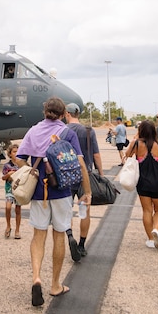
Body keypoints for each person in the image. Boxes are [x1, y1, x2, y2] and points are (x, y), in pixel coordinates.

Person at [14, 97, 91, 307]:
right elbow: (81, 164)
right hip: (63, 191)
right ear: (63, 113)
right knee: (59, 235)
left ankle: (36, 278)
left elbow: (19, 157)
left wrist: (33, 171)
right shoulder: (69, 133)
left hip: (39, 192)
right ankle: (55, 285)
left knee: (38, 236)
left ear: (44, 111)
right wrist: (87, 191)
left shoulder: (33, 131)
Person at [64, 103, 102, 260]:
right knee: (84, 211)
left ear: (67, 114)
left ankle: (70, 236)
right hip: (84, 175)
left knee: (66, 211)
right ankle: (82, 244)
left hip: (66, 175)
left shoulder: (63, 131)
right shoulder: (88, 131)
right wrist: (101, 173)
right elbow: (96, 155)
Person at [124, 119, 158, 250]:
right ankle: (157, 230)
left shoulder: (136, 144)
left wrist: (136, 138)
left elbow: (127, 155)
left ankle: (150, 239)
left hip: (142, 182)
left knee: (147, 210)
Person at [1, 143, 22, 240]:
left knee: (18, 209)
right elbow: (3, 178)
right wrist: (9, 174)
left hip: (19, 190)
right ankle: (8, 226)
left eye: (17, 151)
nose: (16, 153)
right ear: (10, 154)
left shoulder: (22, 165)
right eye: (14, 152)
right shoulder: (7, 166)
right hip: (9, 189)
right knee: (8, 207)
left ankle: (17, 230)